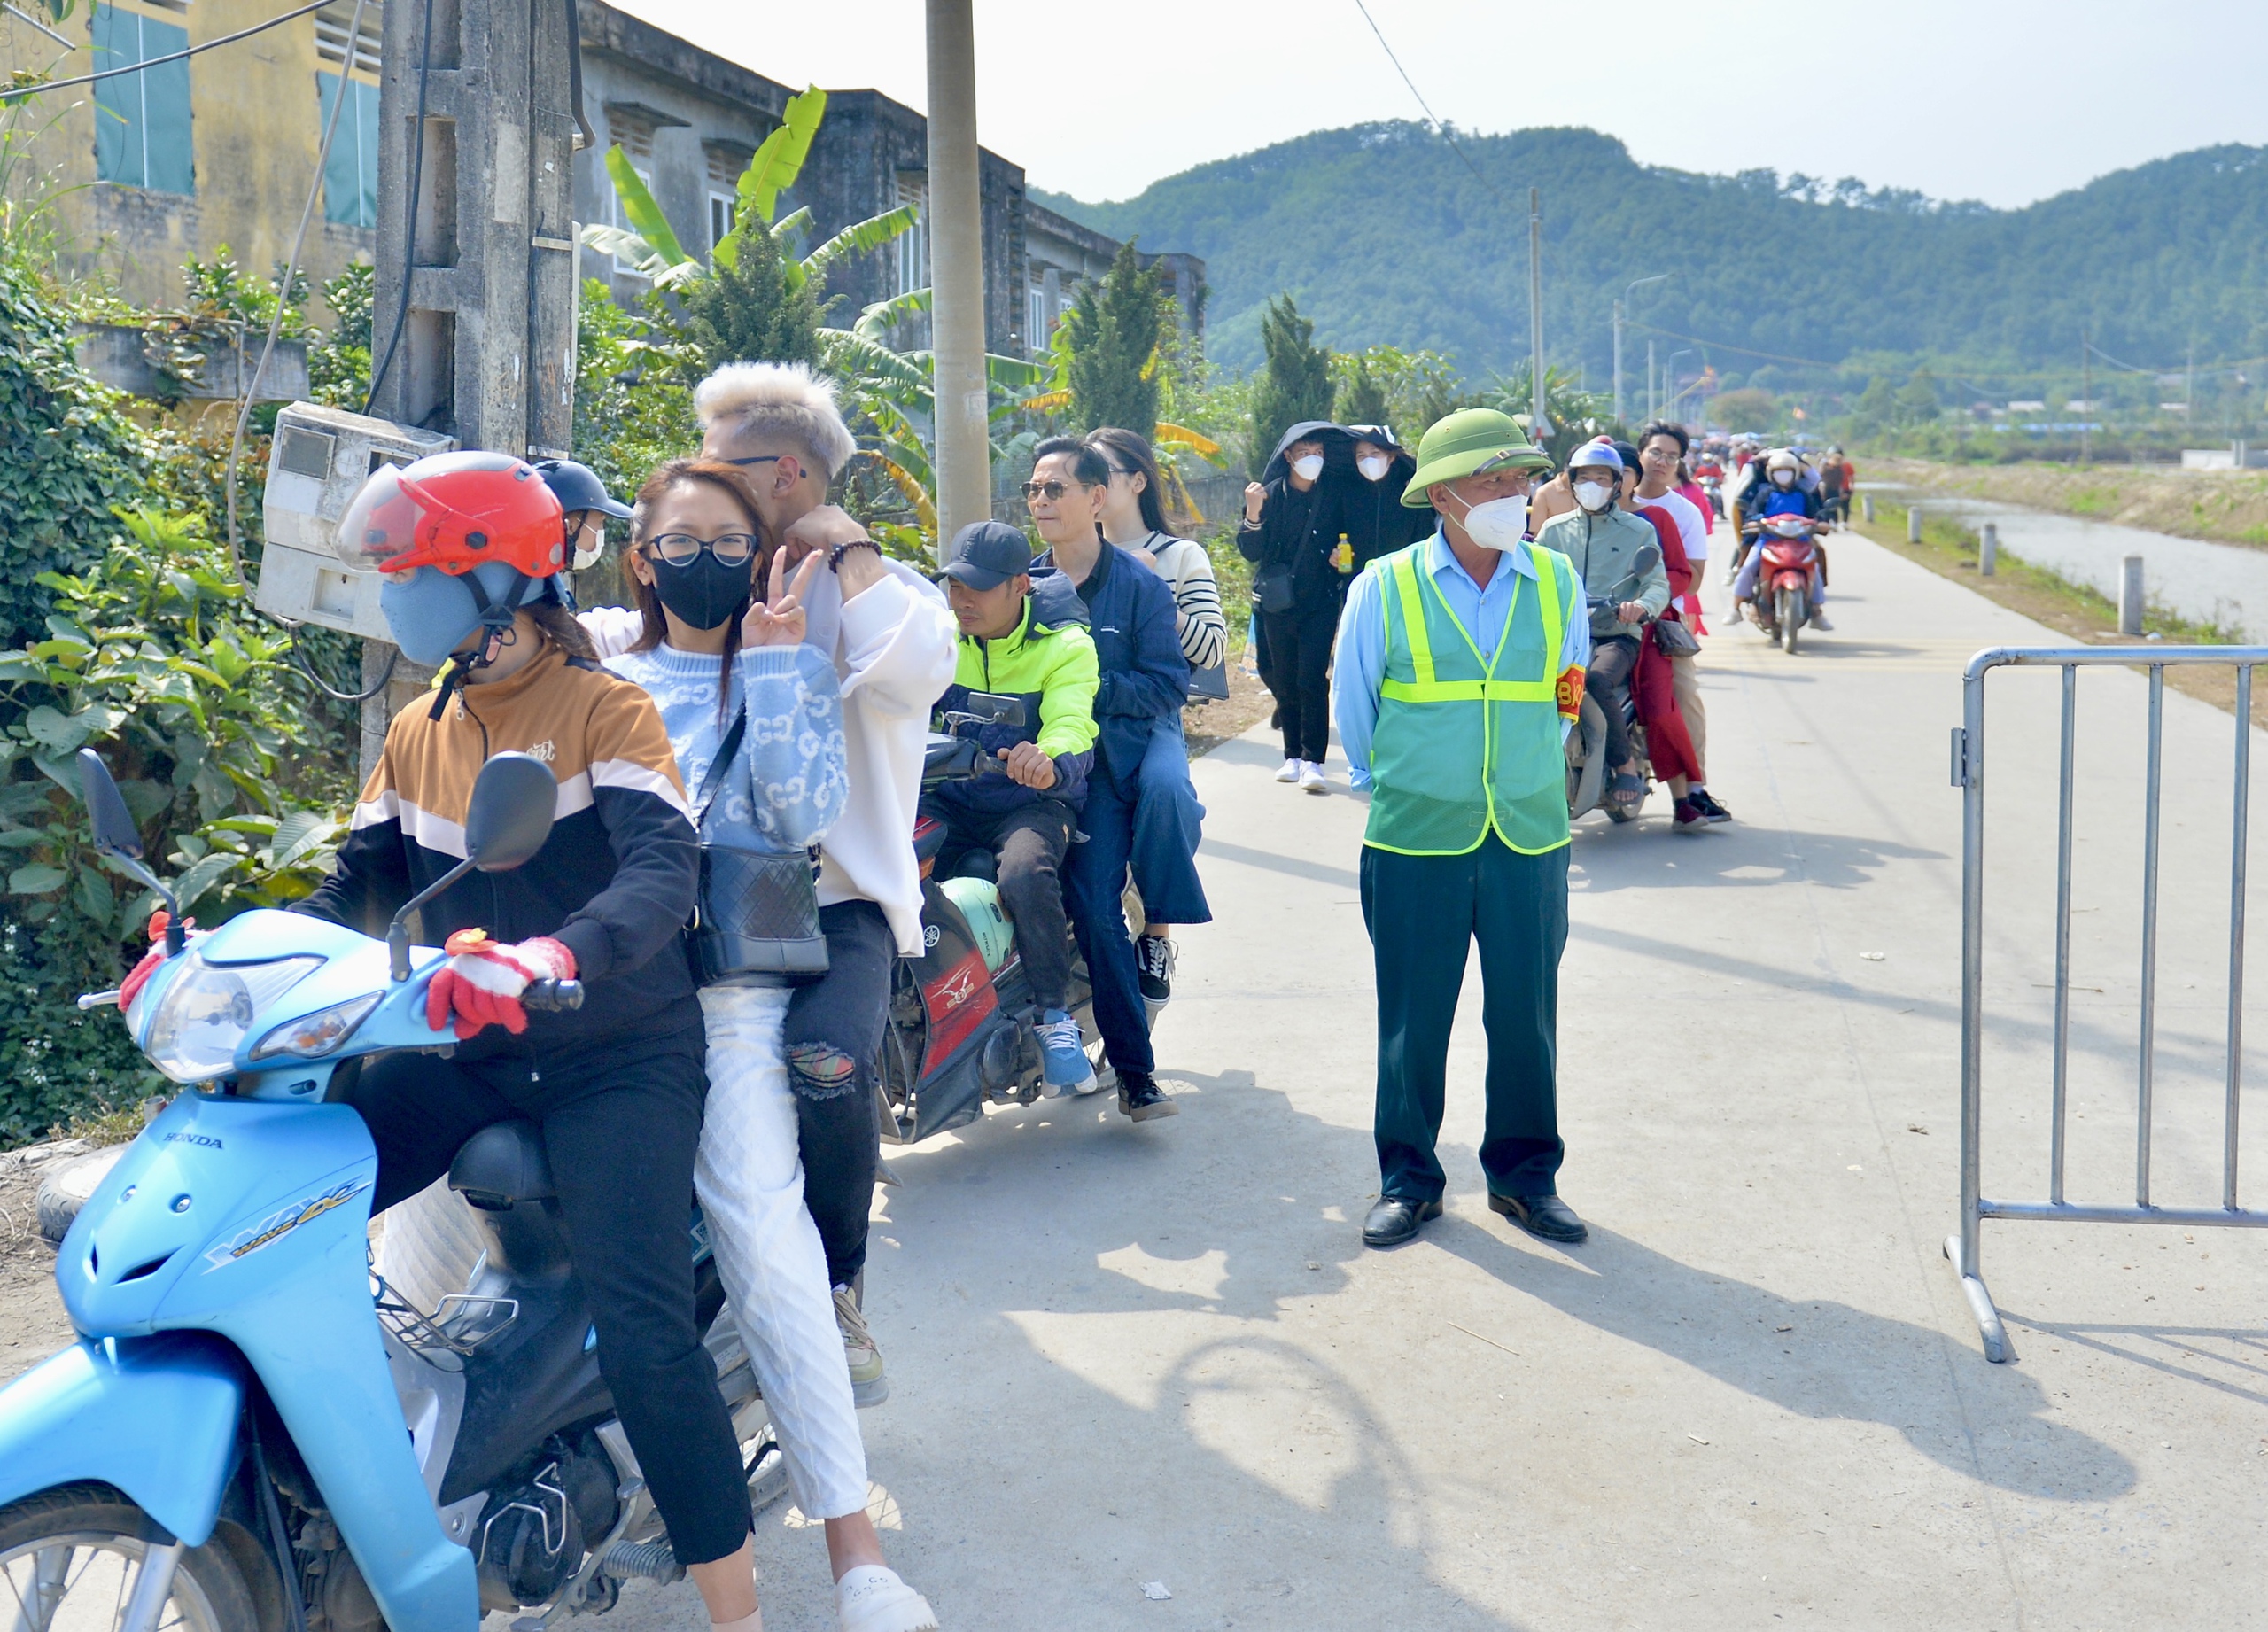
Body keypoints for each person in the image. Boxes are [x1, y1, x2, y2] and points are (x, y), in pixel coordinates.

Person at [300, 451, 769, 1632]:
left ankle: (739, 1610)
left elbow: (665, 873)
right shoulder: (418, 726)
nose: (395, 587)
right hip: (474, 1050)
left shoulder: (601, 708)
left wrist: (556, 954)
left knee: (649, 1328)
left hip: (615, 1052)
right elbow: (352, 891)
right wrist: (220, 954)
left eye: (412, 566)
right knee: (294, 1179)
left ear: (498, 577)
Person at [602, 459, 938, 1632]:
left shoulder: (784, 658)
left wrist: (793, 656)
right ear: (639, 558)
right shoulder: (601, 663)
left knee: (761, 1219)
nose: (705, 558)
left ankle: (857, 1547)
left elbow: (796, 816)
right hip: (603, 997)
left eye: (729, 540)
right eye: (678, 538)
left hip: (728, 988)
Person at [582, 362, 958, 1408]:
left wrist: (846, 545)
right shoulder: (716, 581)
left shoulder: (882, 590)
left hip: (832, 911)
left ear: (787, 472)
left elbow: (921, 663)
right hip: (698, 917)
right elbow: (617, 650)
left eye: (721, 463)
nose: (704, 484)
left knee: (827, 1065)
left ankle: (836, 1284)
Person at [1330, 408, 1591, 1250]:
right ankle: (1409, 1179)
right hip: (1414, 838)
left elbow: (1565, 696)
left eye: (1521, 479)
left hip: (1528, 834)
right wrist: (1404, 784)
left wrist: (1519, 772)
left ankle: (1524, 1179)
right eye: (1494, 481)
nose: (1516, 495)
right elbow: (1355, 713)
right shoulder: (1385, 584)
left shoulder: (1555, 580)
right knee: (1413, 1018)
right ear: (1443, 496)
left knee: (1527, 1016)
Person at [1028, 436, 1187, 1122]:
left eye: (1054, 488)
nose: (1040, 501)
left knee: (1094, 901)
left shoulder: (1140, 585)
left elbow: (1167, 685)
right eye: (1032, 490)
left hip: (1104, 772)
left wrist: (1087, 689)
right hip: (1026, 773)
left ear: (1097, 498)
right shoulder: (1021, 584)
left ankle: (1135, 1073)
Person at [928, 518, 1102, 1097]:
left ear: (1020, 586)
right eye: (955, 584)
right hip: (949, 798)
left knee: (1026, 872)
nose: (962, 599)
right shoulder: (935, 638)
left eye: (978, 587)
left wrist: (1048, 757)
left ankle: (1055, 1020)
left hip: (1029, 803)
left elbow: (1074, 720)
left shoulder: (1066, 646)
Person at [1084, 425, 1217, 1013]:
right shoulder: (1071, 555)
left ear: (1136, 482)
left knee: (1166, 790)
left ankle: (1157, 936)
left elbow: (1210, 650)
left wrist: (1149, 584)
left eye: (1100, 474)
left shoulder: (1181, 555)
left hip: (1152, 714)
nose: (1085, 487)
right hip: (1079, 713)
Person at [1534, 440, 1670, 812]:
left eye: (1601, 477)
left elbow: (1657, 583)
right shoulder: (1553, 531)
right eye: (1584, 477)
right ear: (1572, 483)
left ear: (1616, 485)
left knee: (1592, 680)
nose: (1591, 484)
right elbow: (1533, 577)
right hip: (1563, 634)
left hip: (1614, 635)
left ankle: (1623, 763)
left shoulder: (1637, 532)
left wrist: (1640, 606)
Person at [1239, 421, 1351, 791]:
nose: (1312, 460)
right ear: (1288, 456)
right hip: (1277, 603)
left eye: (1317, 453)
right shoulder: (1269, 496)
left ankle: (1314, 762)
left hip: (1320, 601)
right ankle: (1292, 756)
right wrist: (1253, 514)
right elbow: (1251, 551)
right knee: (1284, 679)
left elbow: (1349, 542)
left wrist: (1342, 558)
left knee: (1312, 679)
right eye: (1304, 454)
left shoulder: (1333, 495)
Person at [1632, 425, 1731, 825]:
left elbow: (1692, 575)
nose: (1662, 462)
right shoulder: (1609, 501)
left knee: (1683, 694)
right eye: (1656, 452)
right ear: (1639, 454)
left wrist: (1644, 599)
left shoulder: (1684, 512)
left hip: (1662, 619)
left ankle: (1694, 788)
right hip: (1596, 616)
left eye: (1671, 457)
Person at [1731, 449, 1832, 630]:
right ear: (1771, 473)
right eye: (1779, 471)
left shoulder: (1803, 494)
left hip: (1799, 541)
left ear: (1795, 472)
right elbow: (1753, 513)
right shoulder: (1765, 494)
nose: (1783, 474)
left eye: (1788, 470)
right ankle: (1735, 607)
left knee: (1815, 570)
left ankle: (1816, 611)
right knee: (1747, 567)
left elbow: (1816, 513)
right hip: (1767, 540)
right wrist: (1754, 522)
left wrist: (1822, 522)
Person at [1340, 424, 1435, 572]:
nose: (1368, 460)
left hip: (1403, 580)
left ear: (1391, 457)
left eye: (1375, 453)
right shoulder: (1346, 493)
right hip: (1359, 581)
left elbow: (1426, 539)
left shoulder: (1410, 492)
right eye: (1361, 456)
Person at [537, 455, 634, 571]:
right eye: (600, 523)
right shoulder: (533, 587)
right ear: (570, 526)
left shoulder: (528, 580)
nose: (601, 532)